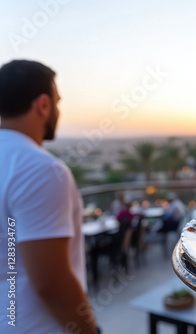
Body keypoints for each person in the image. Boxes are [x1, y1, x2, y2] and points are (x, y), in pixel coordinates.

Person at [0, 60, 99, 333]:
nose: (58, 110)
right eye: (57, 102)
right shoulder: (39, 168)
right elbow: (50, 283)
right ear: (43, 105)